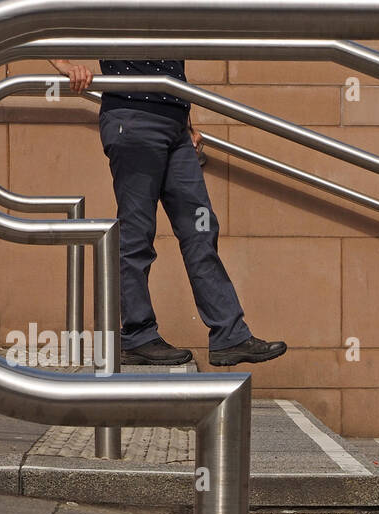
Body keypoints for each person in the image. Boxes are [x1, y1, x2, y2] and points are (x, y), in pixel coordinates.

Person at [50, 57, 286, 368]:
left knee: (201, 229)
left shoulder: (171, 8)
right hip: (132, 119)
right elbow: (33, 12)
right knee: (137, 233)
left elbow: (169, 67)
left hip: (176, 127)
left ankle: (229, 335)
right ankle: (136, 336)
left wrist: (188, 123)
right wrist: (67, 66)